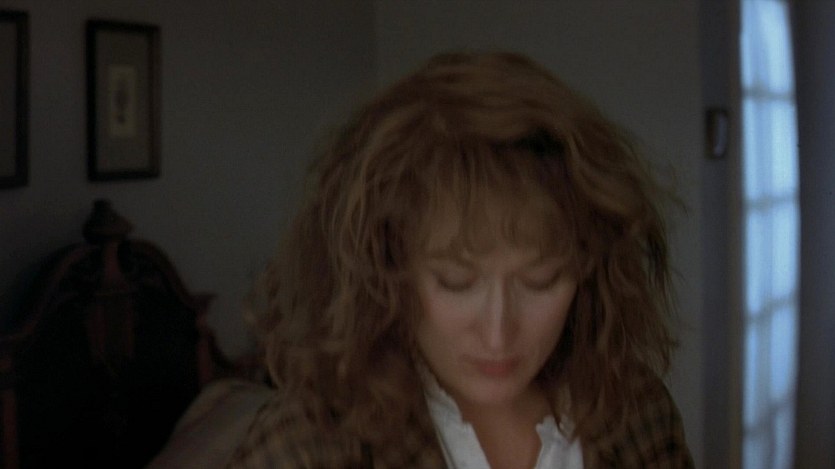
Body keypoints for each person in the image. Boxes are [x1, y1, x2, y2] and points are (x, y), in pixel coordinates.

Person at [226, 51, 693, 468]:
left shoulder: (636, 411)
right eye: (455, 281)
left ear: (590, 269)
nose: (498, 334)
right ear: (387, 269)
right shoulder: (306, 445)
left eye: (542, 279)